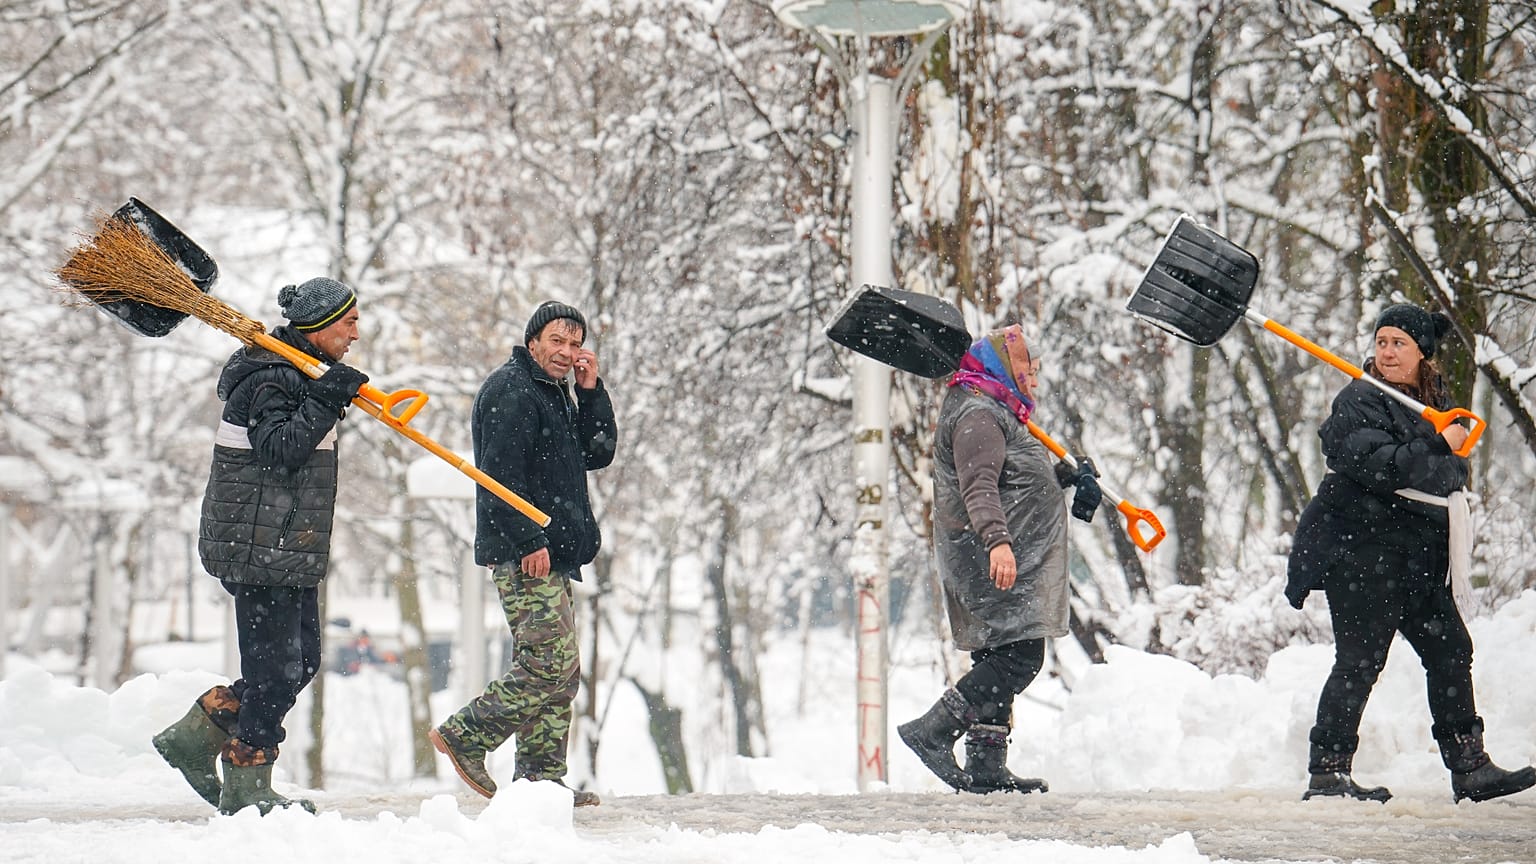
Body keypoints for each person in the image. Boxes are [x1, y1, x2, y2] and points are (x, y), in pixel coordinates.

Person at [1286, 302, 1535, 804]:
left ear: (1423, 352)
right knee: (1360, 660)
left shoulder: (1433, 399)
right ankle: (1328, 771)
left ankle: (1469, 767)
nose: (1387, 352)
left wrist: (1443, 451)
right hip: (1360, 549)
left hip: (1416, 553)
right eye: (1381, 342)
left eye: (1399, 343)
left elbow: (1445, 478)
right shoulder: (1359, 399)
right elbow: (1386, 468)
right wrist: (1439, 445)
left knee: (1450, 651)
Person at [152, 277, 368, 815]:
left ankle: (198, 733)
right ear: (318, 327)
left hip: (285, 546)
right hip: (258, 547)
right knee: (276, 672)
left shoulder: (299, 374)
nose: (356, 333)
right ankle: (248, 786)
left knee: (302, 663)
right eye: (349, 322)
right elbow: (280, 452)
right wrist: (327, 394)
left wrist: (325, 391)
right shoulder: (270, 380)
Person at [898, 324, 1101, 793]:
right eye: (1026, 364)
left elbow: (1013, 480)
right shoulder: (978, 415)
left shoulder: (993, 408)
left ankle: (987, 766)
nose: (1032, 373)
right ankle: (932, 732)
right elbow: (979, 486)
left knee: (998, 653)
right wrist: (998, 542)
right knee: (1020, 657)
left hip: (1004, 554)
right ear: (1003, 365)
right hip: (992, 557)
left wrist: (1063, 478)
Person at [430, 301, 616, 808]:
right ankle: (466, 734)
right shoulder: (511, 390)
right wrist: (528, 540)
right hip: (526, 551)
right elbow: (498, 477)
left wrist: (591, 392)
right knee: (547, 664)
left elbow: (596, 452)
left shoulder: (554, 392)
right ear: (533, 341)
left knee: (562, 668)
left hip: (553, 550)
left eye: (576, 343)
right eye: (557, 341)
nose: (567, 352)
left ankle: (540, 785)